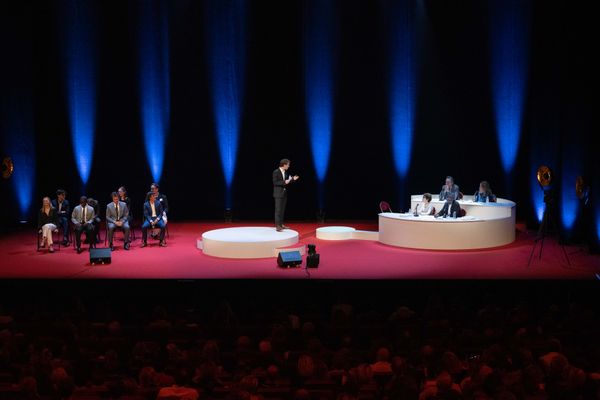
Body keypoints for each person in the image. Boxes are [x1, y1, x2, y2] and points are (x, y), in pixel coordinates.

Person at [272, 158, 299, 232]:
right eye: (288, 165)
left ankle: (281, 224)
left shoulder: (286, 172)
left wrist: (293, 179)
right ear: (284, 165)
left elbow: (287, 181)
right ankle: (277, 226)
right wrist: (284, 182)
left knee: (282, 210)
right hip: (278, 193)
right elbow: (275, 182)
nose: (288, 166)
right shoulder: (276, 172)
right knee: (278, 210)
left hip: (284, 193)